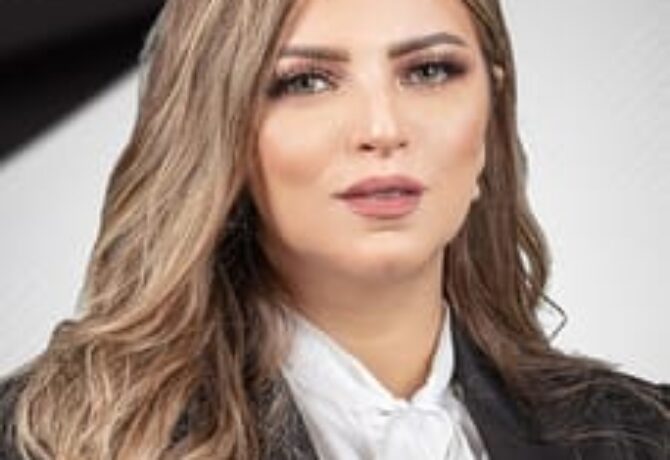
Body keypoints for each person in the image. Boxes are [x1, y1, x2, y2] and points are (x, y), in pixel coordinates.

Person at [1, 0, 667, 458]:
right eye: (307, 82)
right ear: (222, 129)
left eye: (429, 71)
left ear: (492, 114)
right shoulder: (48, 437)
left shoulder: (643, 436)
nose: (383, 129)